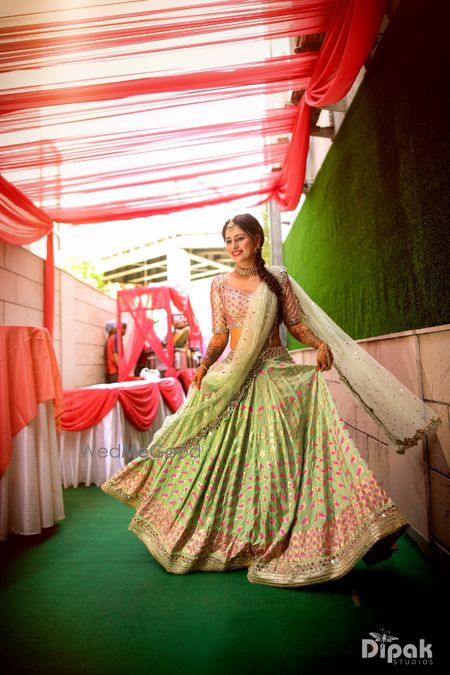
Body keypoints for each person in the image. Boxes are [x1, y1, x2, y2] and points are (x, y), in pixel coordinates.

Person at [102, 214, 440, 587]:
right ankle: (229, 534)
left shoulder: (277, 280)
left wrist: (318, 343)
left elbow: (294, 324)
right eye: (228, 239)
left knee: (293, 457)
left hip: (276, 376)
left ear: (258, 240)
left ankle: (356, 532)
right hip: (234, 378)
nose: (233, 246)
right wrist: (205, 364)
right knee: (220, 456)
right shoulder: (217, 284)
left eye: (240, 238)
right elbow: (219, 336)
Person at [104, 319, 127, 383]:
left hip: (110, 371)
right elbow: (115, 355)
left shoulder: (109, 339)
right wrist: (121, 369)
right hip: (115, 371)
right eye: (124, 328)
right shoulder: (116, 337)